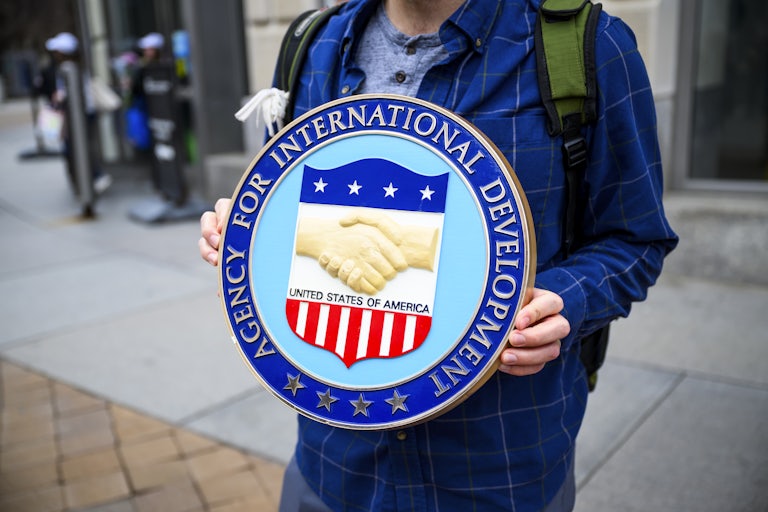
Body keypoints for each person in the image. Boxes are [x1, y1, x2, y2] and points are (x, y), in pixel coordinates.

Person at [199, 0, 679, 510]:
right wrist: (252, 230)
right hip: (334, 469)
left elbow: (635, 238)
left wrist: (563, 302)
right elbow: (300, 208)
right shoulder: (313, 44)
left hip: (495, 475)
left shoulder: (587, 47)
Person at [41, 32, 112, 195]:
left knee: (80, 147)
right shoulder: (68, 69)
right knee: (74, 148)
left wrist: (60, 96)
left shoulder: (72, 69)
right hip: (77, 115)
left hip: (81, 115)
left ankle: (95, 176)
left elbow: (73, 95)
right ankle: (84, 180)